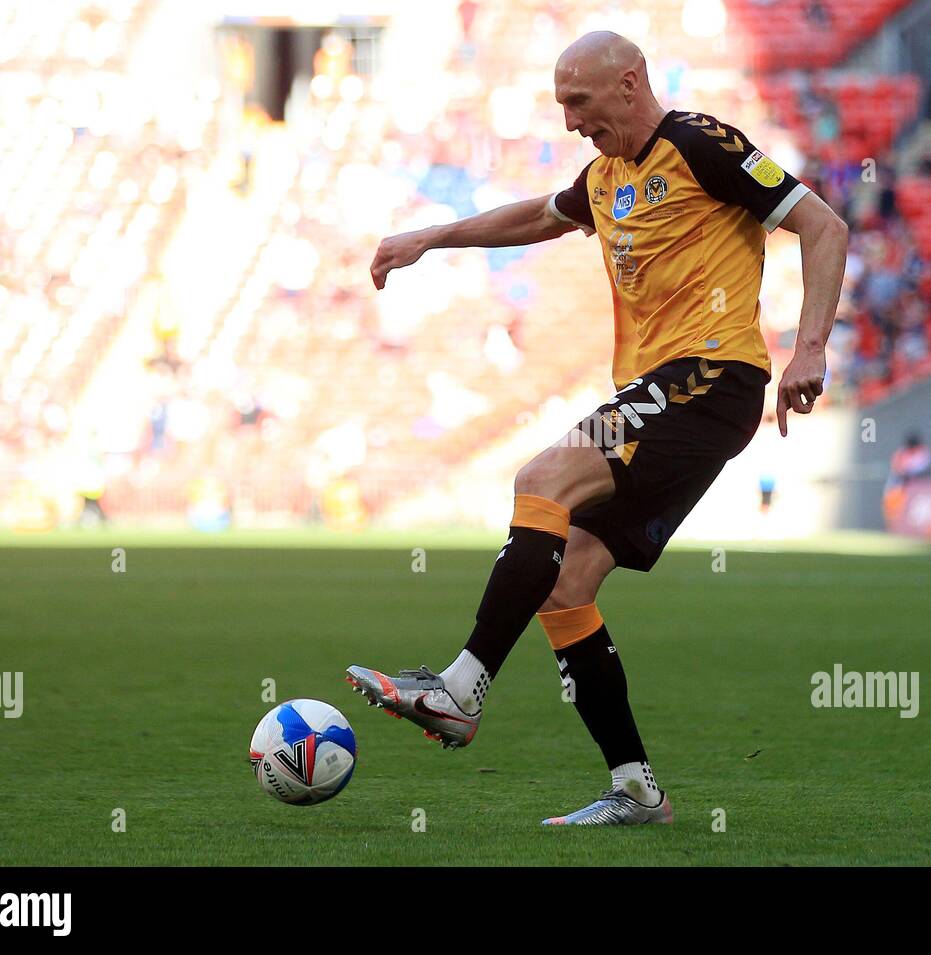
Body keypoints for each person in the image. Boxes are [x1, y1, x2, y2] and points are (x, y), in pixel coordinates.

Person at [350, 32, 847, 826]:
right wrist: (431, 238)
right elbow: (535, 218)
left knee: (541, 478)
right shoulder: (607, 176)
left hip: (711, 376)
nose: (573, 121)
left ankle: (460, 688)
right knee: (566, 583)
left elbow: (824, 226)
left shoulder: (702, 145)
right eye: (561, 107)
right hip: (670, 392)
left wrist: (809, 347)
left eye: (580, 103)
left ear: (629, 83)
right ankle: (636, 791)